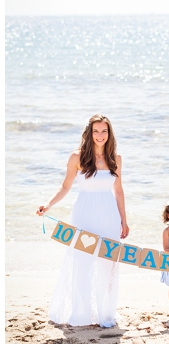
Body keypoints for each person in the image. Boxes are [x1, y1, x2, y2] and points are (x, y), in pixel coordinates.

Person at [36, 114, 129, 328]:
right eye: (96, 131)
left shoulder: (116, 158)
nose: (100, 135)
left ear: (109, 133)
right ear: (89, 133)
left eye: (104, 131)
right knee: (82, 265)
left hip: (109, 215)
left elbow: (119, 190)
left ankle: (105, 312)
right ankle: (82, 314)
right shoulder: (76, 158)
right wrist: (48, 205)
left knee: (108, 266)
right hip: (83, 214)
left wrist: (124, 220)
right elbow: (65, 186)